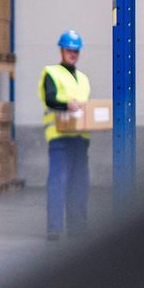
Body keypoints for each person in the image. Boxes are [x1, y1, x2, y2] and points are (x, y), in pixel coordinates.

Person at [40, 30, 91, 240]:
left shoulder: (83, 78)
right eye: (69, 50)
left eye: (76, 50)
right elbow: (50, 99)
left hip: (80, 139)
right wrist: (65, 105)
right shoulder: (51, 73)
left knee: (80, 184)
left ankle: (77, 228)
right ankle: (54, 228)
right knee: (58, 183)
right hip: (59, 138)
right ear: (62, 50)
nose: (73, 54)